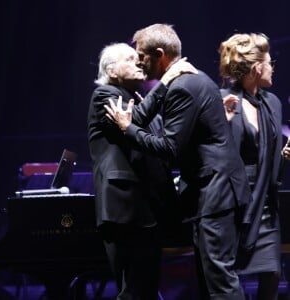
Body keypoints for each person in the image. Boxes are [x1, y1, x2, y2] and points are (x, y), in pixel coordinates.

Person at [105, 23, 252, 300]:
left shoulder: (183, 87)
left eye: (141, 56)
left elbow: (169, 147)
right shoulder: (187, 81)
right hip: (214, 193)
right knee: (212, 282)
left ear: (159, 54)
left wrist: (128, 128)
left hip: (216, 194)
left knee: (220, 283)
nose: (138, 62)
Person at [87, 42, 196, 299]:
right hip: (125, 208)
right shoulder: (104, 95)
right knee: (134, 289)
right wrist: (165, 81)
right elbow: (132, 123)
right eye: (129, 59)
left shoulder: (137, 97)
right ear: (112, 70)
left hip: (147, 209)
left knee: (146, 286)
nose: (138, 62)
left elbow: (159, 140)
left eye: (138, 58)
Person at [218, 32, 290, 300]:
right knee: (230, 275)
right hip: (233, 200)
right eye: (270, 63)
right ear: (257, 67)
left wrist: (282, 156)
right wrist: (224, 122)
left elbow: (266, 153)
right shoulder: (223, 99)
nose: (273, 69)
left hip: (266, 202)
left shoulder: (273, 103)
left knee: (271, 274)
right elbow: (214, 152)